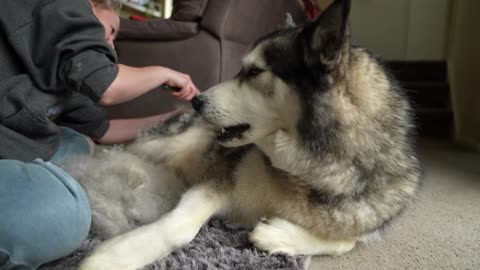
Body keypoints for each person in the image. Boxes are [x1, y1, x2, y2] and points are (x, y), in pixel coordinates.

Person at [0, 0, 199, 269]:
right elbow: (108, 87)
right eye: (111, 31)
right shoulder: (61, 6)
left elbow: (104, 130)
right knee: (66, 211)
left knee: (81, 141)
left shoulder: (64, 74)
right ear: (92, 5)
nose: (112, 46)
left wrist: (173, 119)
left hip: (16, 139)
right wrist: (162, 73)